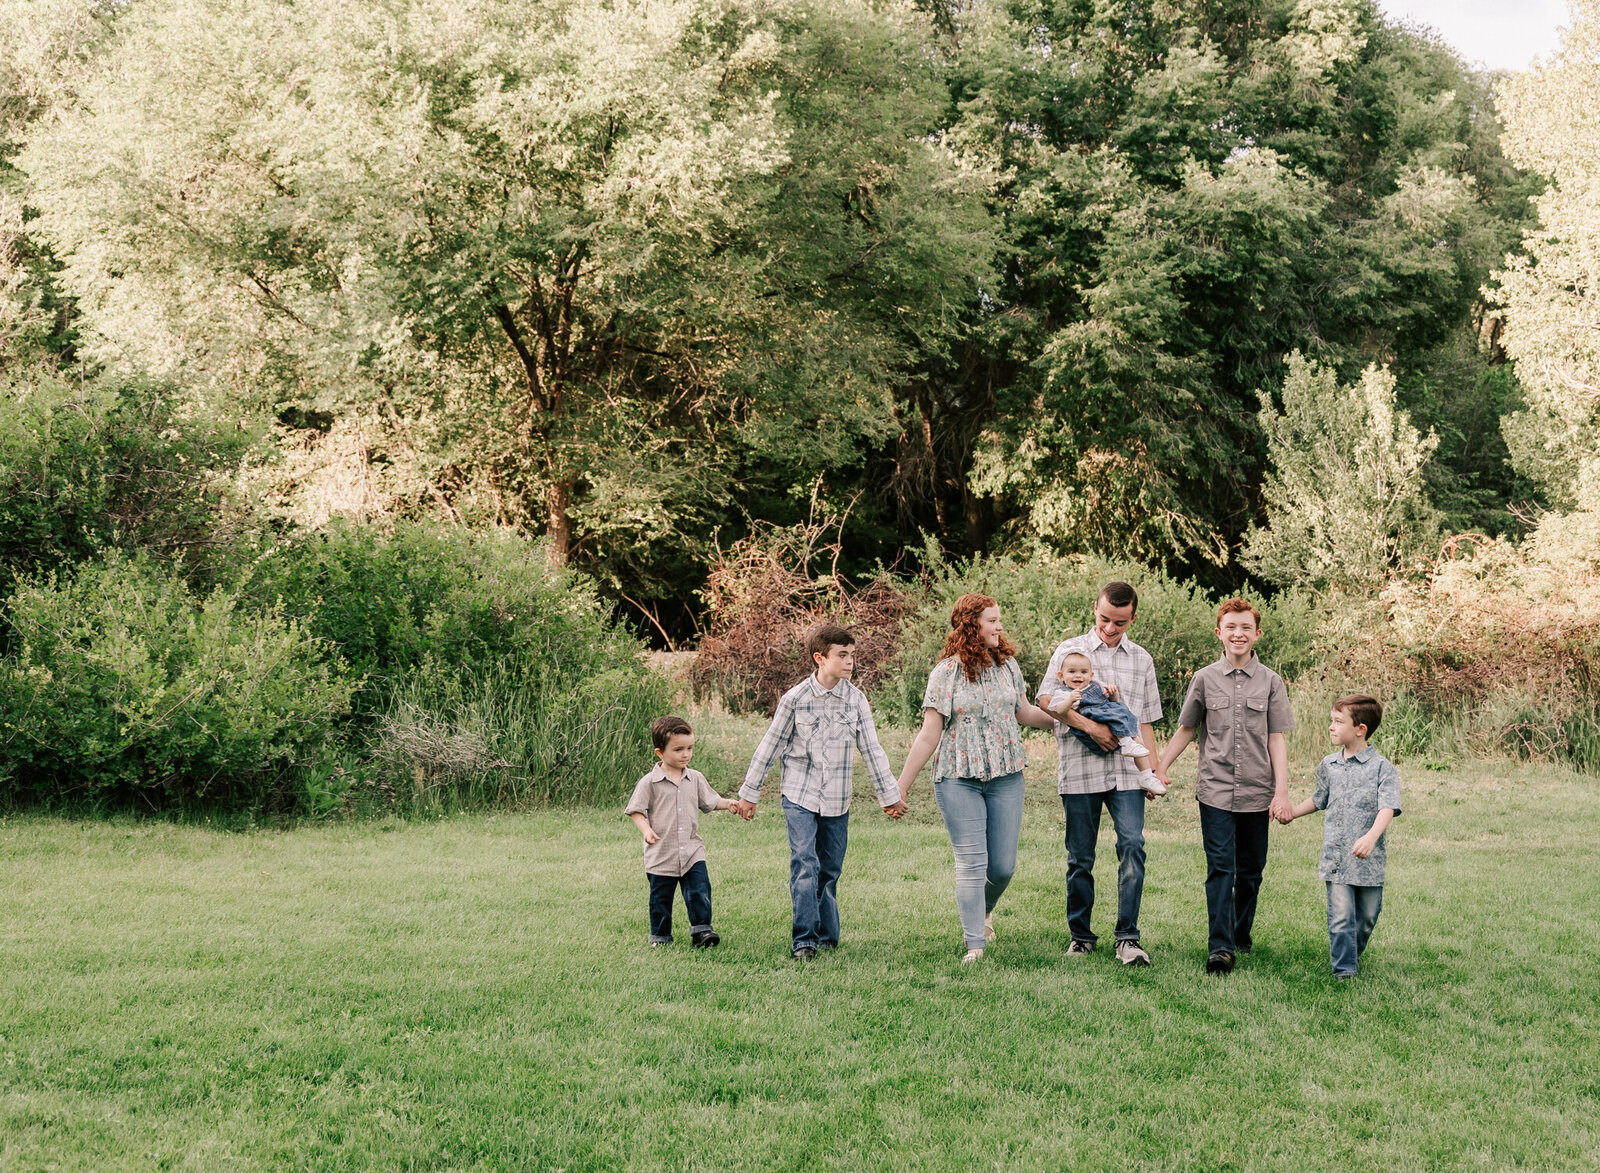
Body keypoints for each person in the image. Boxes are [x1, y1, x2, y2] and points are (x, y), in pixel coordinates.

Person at [897, 594, 1058, 963]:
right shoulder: (945, 674)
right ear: (971, 625)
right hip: (958, 776)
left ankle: (983, 910)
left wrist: (1064, 722)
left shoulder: (1007, 666)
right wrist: (900, 786)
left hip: (1006, 773)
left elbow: (1024, 711)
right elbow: (928, 734)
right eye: (992, 621)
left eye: (999, 620)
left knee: (1002, 866)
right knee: (971, 863)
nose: (999, 626)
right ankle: (975, 945)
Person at [736, 624, 906, 960]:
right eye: (842, 655)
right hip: (799, 794)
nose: (849, 662)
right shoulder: (795, 700)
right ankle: (805, 940)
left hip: (838, 799)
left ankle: (827, 935)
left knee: (829, 868)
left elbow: (872, 751)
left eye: (852, 655)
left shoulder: (856, 701)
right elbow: (769, 747)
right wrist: (749, 793)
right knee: (805, 863)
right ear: (820, 658)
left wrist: (890, 795)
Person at [1157, 598, 1295, 974]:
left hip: (1257, 790)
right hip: (1215, 790)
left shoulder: (1271, 681)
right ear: (1219, 632)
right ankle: (1220, 947)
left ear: (1257, 634)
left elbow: (1277, 739)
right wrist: (1160, 768)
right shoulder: (1204, 678)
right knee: (1221, 868)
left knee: (1251, 871)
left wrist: (1281, 792)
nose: (1238, 633)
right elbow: (1187, 728)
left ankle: (1239, 934)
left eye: (1245, 628)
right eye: (1231, 627)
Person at [1038, 581, 1169, 967]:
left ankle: (1128, 937)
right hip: (1080, 772)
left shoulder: (1141, 659)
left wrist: (1155, 769)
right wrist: (1090, 727)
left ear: (1133, 617)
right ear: (1095, 609)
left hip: (1129, 774)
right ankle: (1081, 936)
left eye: (1121, 622)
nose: (1111, 628)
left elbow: (1145, 720)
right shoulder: (1069, 651)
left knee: (1133, 847)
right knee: (1081, 856)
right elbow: (1046, 700)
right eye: (1105, 619)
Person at [1278, 694, 1401, 979]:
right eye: (1331, 721)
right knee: (1341, 916)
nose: (1331, 727)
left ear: (1361, 729)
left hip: (1369, 859)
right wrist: (1291, 813)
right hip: (1336, 857)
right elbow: (1319, 799)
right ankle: (1345, 970)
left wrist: (1371, 837)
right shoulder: (1328, 765)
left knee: (1367, 917)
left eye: (1337, 722)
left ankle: (1351, 953)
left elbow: (1388, 807)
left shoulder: (1382, 767)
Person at [624, 715, 746, 948]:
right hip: (661, 853)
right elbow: (636, 811)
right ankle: (660, 937)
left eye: (689, 748)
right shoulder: (650, 782)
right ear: (660, 753)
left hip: (691, 850)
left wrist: (729, 803)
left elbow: (710, 801)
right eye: (678, 749)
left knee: (699, 890)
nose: (685, 754)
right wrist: (646, 830)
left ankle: (702, 931)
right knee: (660, 899)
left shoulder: (695, 778)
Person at [1047, 651, 1168, 795]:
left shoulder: (1094, 685)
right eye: (1072, 671)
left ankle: (1146, 775)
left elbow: (1113, 702)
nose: (1078, 676)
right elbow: (1058, 710)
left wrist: (1112, 693)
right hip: (1094, 726)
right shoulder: (1064, 692)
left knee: (1138, 740)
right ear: (1061, 675)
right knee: (1116, 714)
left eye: (1084, 672)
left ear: (1091, 675)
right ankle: (1126, 741)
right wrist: (1069, 700)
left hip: (1108, 720)